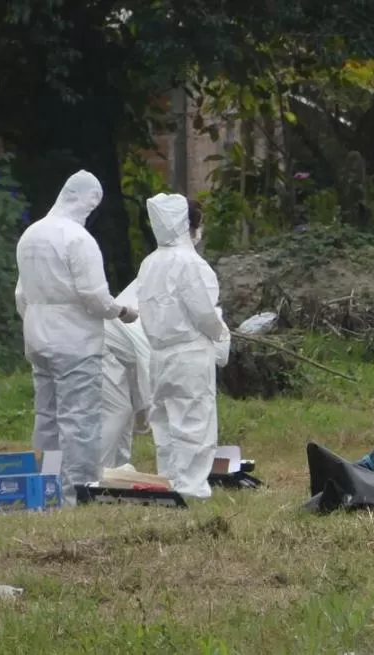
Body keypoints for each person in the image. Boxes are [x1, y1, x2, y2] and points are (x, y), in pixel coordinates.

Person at [14, 170, 140, 504]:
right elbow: (94, 296)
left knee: (48, 416)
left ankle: (46, 488)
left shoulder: (31, 234)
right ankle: (77, 493)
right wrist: (122, 312)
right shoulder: (78, 239)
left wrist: (39, 320)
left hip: (38, 336)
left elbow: (21, 295)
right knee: (79, 418)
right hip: (75, 342)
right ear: (89, 201)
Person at [136, 193, 230, 499]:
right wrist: (219, 331)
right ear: (188, 225)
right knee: (194, 422)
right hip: (189, 352)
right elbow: (203, 312)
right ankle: (191, 490)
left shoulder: (149, 263)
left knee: (165, 424)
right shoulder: (191, 263)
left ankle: (168, 484)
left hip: (158, 355)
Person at [100, 279, 152, 469]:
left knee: (124, 413)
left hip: (113, 351)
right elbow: (147, 364)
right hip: (101, 346)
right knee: (117, 411)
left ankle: (118, 467)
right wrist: (149, 408)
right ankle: (99, 473)